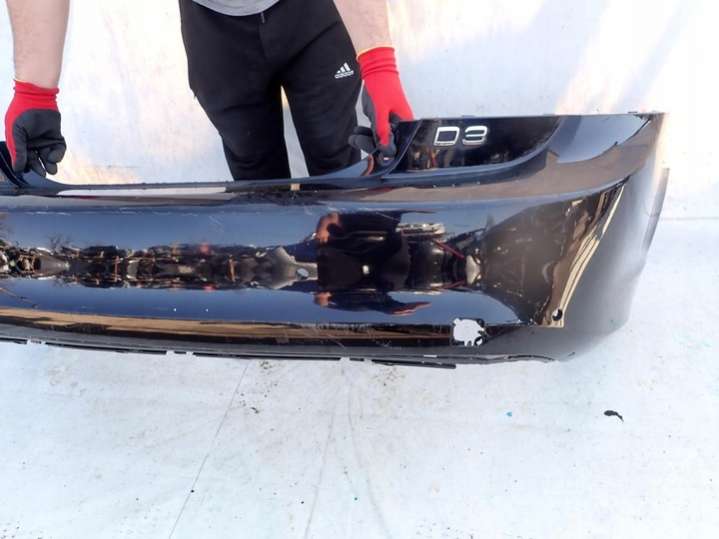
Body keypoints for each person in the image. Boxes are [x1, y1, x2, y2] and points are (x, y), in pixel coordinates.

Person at [3, 0, 413, 179]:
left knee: (334, 150)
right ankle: (274, 288)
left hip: (312, 17)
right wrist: (35, 92)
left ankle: (347, 272)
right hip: (214, 27)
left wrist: (378, 64)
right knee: (253, 167)